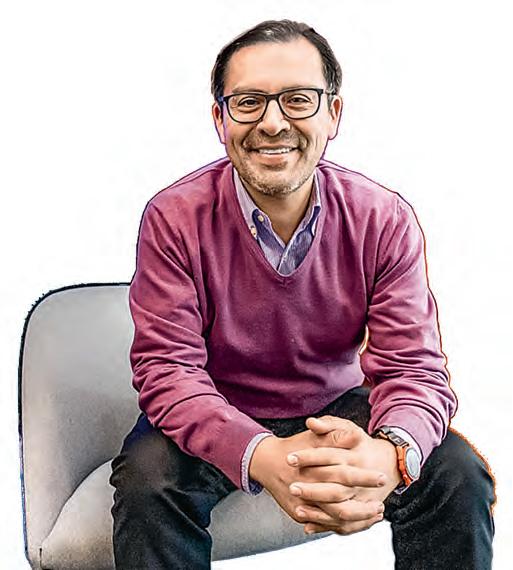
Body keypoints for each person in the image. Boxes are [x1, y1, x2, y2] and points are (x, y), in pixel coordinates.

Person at [109, 19, 495, 569]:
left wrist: (390, 455)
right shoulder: (173, 218)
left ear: (333, 114)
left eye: (298, 100)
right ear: (219, 118)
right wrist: (262, 455)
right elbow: (167, 371)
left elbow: (413, 367)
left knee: (457, 475)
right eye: (248, 102)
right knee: (147, 482)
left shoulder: (383, 219)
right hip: (216, 403)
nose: (272, 123)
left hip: (334, 406)